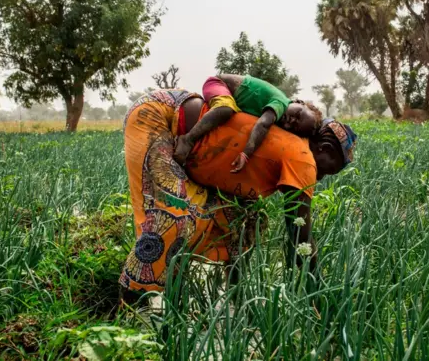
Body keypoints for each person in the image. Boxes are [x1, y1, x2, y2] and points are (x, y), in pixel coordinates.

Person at [120, 89, 355, 298]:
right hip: (160, 117)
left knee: (245, 221)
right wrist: (318, 292)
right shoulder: (303, 158)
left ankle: (233, 295)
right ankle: (131, 302)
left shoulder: (291, 141)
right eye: (328, 170)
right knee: (175, 218)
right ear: (324, 149)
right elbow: (299, 235)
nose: (322, 177)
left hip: (185, 143)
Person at [173, 74, 323, 173]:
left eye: (294, 127)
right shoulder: (281, 103)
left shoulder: (280, 115)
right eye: (297, 115)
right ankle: (188, 139)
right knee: (226, 109)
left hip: (227, 94)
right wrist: (246, 154)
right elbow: (262, 125)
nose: (291, 121)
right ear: (298, 102)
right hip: (219, 84)